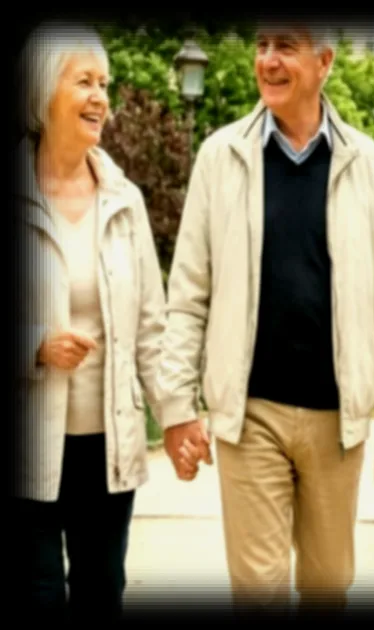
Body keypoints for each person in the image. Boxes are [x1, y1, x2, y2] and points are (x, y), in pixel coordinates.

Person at [154, 22, 374, 613]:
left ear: (324, 62)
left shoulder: (368, 164)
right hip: (250, 416)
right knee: (258, 591)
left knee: (328, 587)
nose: (268, 60)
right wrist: (176, 407)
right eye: (262, 46)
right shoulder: (220, 157)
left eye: (286, 47)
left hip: (338, 420)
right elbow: (188, 294)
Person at [15, 22, 169, 620]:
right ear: (42, 90)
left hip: (109, 448)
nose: (101, 97)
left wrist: (177, 417)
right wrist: (37, 345)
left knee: (101, 595)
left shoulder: (124, 200)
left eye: (105, 83)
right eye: (84, 81)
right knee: (38, 596)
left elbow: (152, 329)